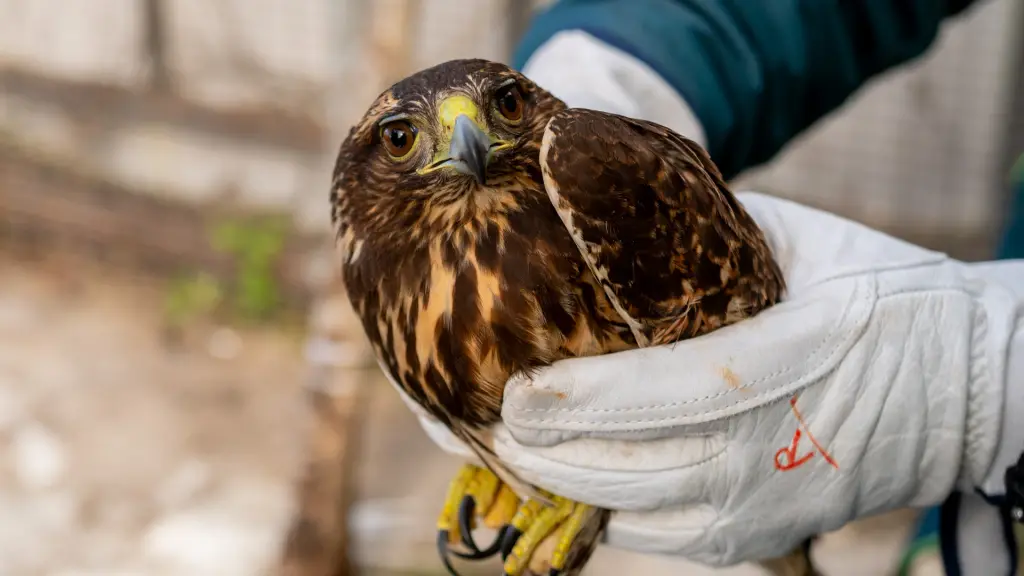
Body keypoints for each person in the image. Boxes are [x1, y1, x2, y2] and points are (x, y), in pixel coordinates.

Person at [394, 2, 1024, 574]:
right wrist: (621, 63)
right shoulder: (387, 249)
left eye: (504, 108)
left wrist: (990, 379)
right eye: (401, 140)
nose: (470, 143)